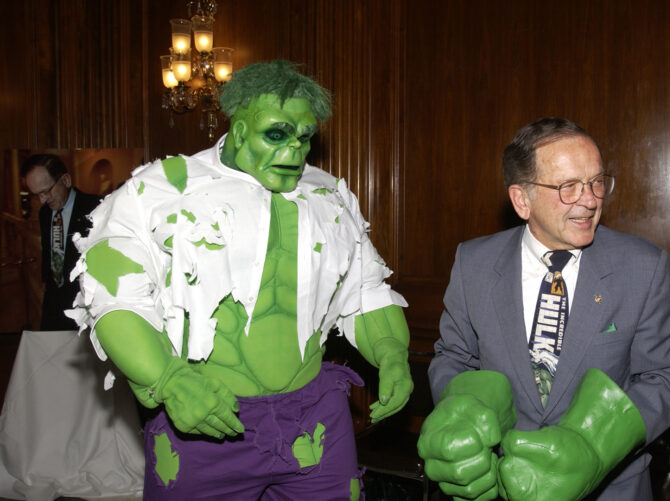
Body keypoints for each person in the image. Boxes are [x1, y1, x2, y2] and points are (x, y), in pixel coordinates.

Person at [66, 60, 413, 500]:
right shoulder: (160, 191)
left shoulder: (329, 197)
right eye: (277, 133)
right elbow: (113, 297)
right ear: (239, 125)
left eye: (305, 136)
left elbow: (364, 291)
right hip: (207, 417)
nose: (295, 150)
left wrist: (392, 354)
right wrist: (170, 380)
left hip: (313, 419)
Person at [417, 117, 670, 501]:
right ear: (521, 200)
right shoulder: (473, 263)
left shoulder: (641, 267)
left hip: (611, 488)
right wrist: (463, 417)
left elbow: (664, 377)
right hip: (498, 485)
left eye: (597, 181)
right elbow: (454, 358)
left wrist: (596, 447)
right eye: (568, 187)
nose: (591, 199)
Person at [21, 154, 101, 330]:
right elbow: (48, 251)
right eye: (37, 195)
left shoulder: (95, 207)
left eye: (46, 191)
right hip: (53, 303)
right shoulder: (45, 213)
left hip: (85, 305)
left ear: (65, 180)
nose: (43, 200)